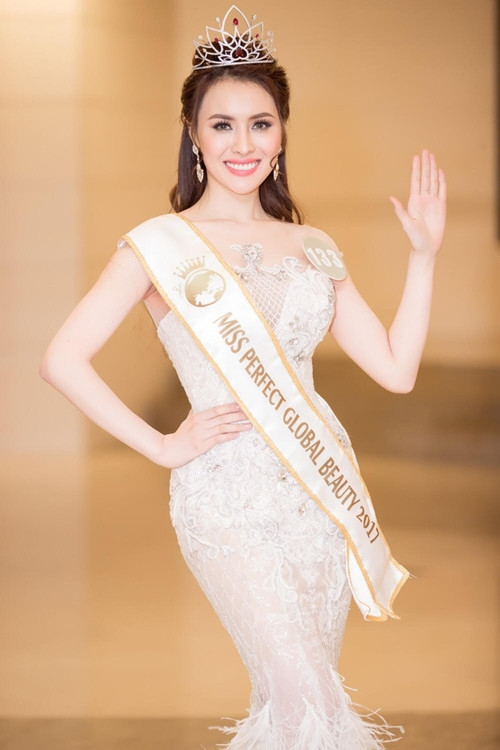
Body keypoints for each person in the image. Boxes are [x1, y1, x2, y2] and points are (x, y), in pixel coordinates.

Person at [40, 5, 446, 749]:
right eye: (221, 124)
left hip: (316, 494)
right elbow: (61, 358)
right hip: (224, 501)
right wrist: (163, 446)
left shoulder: (312, 244)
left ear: (282, 132)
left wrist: (423, 259)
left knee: (289, 712)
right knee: (309, 705)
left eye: (261, 123)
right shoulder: (158, 247)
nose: (243, 143)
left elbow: (395, 369)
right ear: (193, 135)